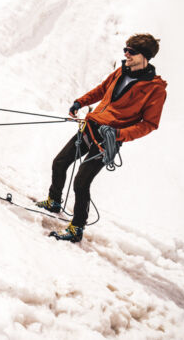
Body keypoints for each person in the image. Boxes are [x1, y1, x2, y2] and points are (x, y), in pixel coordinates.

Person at [36, 34, 167, 242]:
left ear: (145, 56)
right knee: (60, 162)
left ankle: (76, 228)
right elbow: (102, 90)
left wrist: (119, 134)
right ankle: (54, 201)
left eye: (131, 52)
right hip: (91, 128)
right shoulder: (120, 72)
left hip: (109, 140)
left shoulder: (155, 90)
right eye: (126, 49)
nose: (126, 54)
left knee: (81, 182)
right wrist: (80, 102)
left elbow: (149, 124)